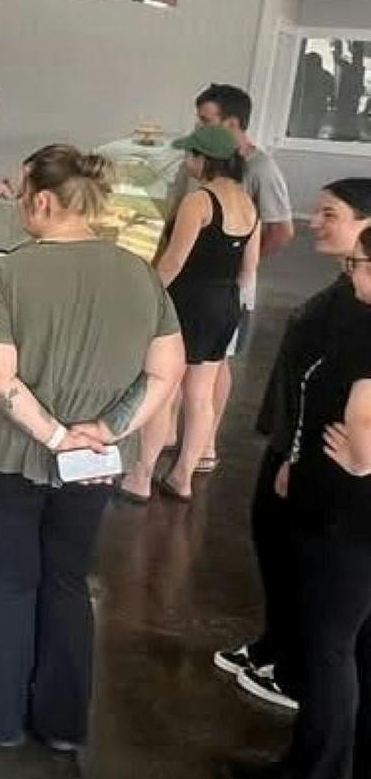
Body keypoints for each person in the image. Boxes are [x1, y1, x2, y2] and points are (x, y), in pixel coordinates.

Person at [0, 145, 185, 750]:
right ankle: (62, 724)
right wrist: (106, 431)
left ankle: (2, 720)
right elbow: (169, 371)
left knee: (10, 580)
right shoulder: (139, 273)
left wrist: (57, 437)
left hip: (8, 457)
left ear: (41, 200)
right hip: (92, 465)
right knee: (66, 579)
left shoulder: (10, 273)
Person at [220, 223, 371, 779]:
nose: (351, 271)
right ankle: (348, 764)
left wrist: (362, 457)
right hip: (343, 508)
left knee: (327, 648)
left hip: (345, 513)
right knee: (352, 642)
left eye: (360, 263)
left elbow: (361, 417)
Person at [128, 124, 259, 500]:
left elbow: (173, 262)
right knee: (201, 395)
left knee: (163, 390)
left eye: (190, 156)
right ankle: (182, 477)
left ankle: (140, 477)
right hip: (225, 304)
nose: (186, 162)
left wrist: (143, 296)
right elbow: (248, 271)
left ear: (205, 160)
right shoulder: (248, 204)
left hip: (188, 303)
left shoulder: (199, 201)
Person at [171, 84, 293, 473]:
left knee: (214, 366)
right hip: (224, 288)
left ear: (232, 124)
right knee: (207, 370)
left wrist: (233, 262)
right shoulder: (219, 178)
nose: (200, 128)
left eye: (207, 121)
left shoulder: (261, 169)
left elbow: (283, 229)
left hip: (227, 289)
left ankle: (205, 445)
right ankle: (193, 448)